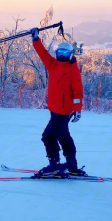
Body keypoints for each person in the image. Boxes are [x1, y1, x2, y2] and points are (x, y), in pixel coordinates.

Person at [30, 27, 86, 177]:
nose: (62, 55)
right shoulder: (53, 65)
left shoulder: (72, 70)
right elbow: (43, 54)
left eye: (65, 53)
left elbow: (78, 92)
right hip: (54, 110)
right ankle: (72, 165)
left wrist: (77, 109)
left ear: (70, 55)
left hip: (64, 111)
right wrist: (36, 40)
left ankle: (54, 164)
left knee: (48, 136)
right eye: (59, 53)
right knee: (63, 135)